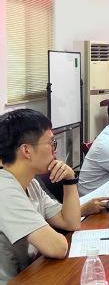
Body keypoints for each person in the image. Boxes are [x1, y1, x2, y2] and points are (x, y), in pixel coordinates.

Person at [0, 109, 81, 283]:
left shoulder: (31, 183)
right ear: (26, 150)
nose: (55, 150)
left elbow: (70, 222)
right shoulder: (4, 190)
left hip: (32, 274)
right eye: (51, 143)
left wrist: (70, 179)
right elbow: (57, 248)